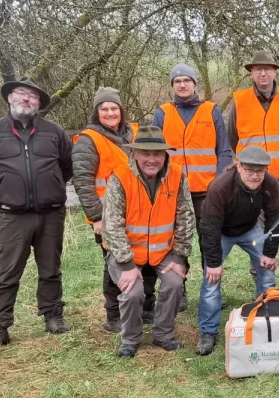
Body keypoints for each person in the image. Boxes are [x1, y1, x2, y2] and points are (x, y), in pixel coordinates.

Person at [0, 78, 73, 356]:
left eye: (33, 96)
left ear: (39, 103)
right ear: (10, 98)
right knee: (6, 272)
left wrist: (49, 187)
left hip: (50, 213)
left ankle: (52, 315)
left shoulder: (54, 132)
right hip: (10, 216)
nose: (27, 99)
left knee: (50, 268)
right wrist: (2, 190)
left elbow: (66, 167)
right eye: (21, 94)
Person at [102, 126, 195, 357]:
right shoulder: (120, 177)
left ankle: (163, 334)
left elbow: (185, 217)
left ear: (165, 155)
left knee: (174, 283)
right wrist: (126, 265)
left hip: (164, 251)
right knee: (133, 292)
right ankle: (130, 339)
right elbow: (111, 225)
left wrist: (180, 256)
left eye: (157, 153)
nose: (152, 159)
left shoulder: (177, 175)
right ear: (135, 154)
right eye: (146, 153)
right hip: (128, 254)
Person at [72, 87, 158, 333]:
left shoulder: (133, 132)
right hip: (109, 215)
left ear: (121, 110)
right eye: (104, 109)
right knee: (115, 263)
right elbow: (83, 181)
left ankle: (146, 307)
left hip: (140, 211)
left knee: (147, 258)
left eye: (114, 108)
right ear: (96, 112)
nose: (110, 113)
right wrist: (96, 217)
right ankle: (113, 315)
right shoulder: (88, 140)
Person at [225, 50, 279, 293]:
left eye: (267, 68)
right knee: (258, 232)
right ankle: (262, 282)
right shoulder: (239, 100)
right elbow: (233, 138)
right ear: (251, 72)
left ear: (274, 72)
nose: (263, 73)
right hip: (253, 180)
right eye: (257, 68)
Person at [153, 64, 232, 311]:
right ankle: (180, 291)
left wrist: (219, 185)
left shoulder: (212, 110)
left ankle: (211, 291)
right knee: (176, 241)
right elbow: (155, 154)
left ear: (195, 84)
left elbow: (224, 151)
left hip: (207, 191)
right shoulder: (163, 113)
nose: (182, 85)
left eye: (187, 80)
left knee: (209, 242)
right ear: (172, 86)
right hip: (173, 191)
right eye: (177, 81)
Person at [196, 146, 279, 355]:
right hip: (221, 231)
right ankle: (208, 331)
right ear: (239, 166)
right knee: (211, 279)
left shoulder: (270, 183)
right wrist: (214, 263)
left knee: (268, 269)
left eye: (260, 171)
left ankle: (263, 317)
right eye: (249, 170)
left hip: (250, 229)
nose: (255, 176)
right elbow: (210, 228)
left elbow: (274, 220)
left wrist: (269, 254)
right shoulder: (219, 187)